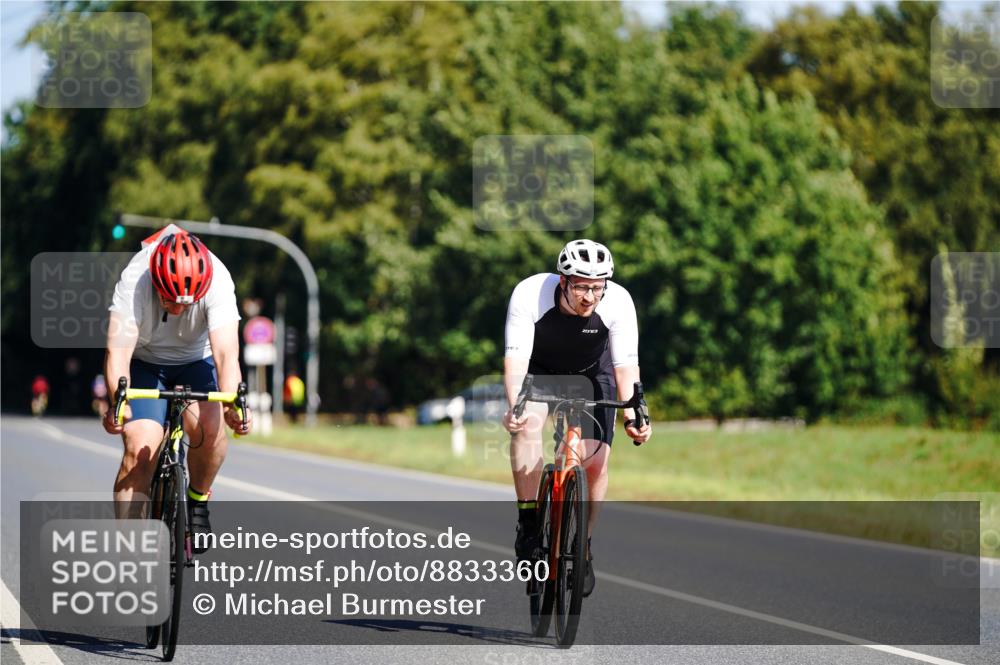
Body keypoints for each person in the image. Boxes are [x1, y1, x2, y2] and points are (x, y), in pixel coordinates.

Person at [502, 239, 651, 597]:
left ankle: (581, 545)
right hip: (540, 370)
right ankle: (528, 523)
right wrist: (514, 407)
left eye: (597, 288)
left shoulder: (618, 302)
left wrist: (634, 413)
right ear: (563, 281)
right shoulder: (530, 294)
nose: (589, 297)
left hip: (591, 374)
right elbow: (516, 361)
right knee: (527, 429)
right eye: (582, 287)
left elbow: (625, 366)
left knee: (597, 461)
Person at [102, 225, 252, 550]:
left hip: (197, 361)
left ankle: (197, 501)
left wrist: (233, 406)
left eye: (187, 301)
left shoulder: (219, 280)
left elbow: (226, 355)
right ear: (156, 282)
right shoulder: (135, 279)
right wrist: (118, 401)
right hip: (146, 363)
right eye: (170, 299)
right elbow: (118, 352)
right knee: (139, 449)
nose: (179, 308)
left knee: (209, 428)